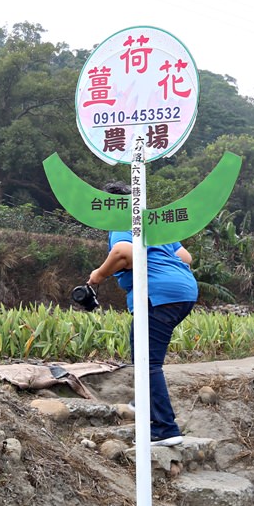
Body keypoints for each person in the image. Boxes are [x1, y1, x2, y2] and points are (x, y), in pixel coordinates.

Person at [87, 180, 198, 447]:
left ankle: (165, 428)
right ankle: (145, 401)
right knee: (146, 354)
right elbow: (186, 257)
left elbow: (123, 252)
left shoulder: (123, 224)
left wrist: (98, 276)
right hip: (183, 292)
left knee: (147, 361)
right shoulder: (153, 224)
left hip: (158, 294)